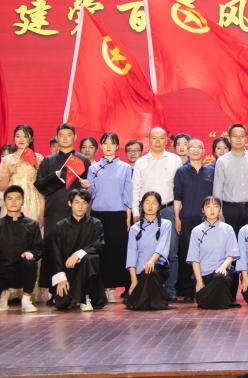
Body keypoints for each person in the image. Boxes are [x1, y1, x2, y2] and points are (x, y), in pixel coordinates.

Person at [34, 123, 91, 290]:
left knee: (76, 247)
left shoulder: (83, 160)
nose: (65, 138)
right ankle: (54, 290)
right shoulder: (48, 161)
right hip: (54, 211)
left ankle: (78, 289)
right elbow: (39, 185)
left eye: (68, 135)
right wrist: (55, 176)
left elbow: (90, 189)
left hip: (77, 213)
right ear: (57, 138)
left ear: (75, 137)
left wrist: (88, 185)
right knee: (53, 249)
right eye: (61, 135)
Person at [132, 126, 180, 301]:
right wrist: (136, 212)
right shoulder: (141, 162)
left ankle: (170, 290)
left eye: (161, 138)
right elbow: (136, 188)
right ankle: (146, 287)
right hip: (146, 212)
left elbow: (179, 188)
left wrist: (177, 214)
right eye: (154, 138)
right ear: (149, 140)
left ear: (166, 140)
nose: (158, 142)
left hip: (168, 209)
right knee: (147, 251)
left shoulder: (175, 160)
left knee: (171, 252)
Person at [0, 185, 42, 313]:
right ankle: (4, 293)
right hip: (1, 272)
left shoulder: (32, 224)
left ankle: (26, 300)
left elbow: (39, 248)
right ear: (4, 202)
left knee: (30, 263)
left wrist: (32, 253)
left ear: (22, 202)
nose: (14, 202)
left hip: (21, 270)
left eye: (17, 199)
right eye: (10, 198)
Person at [87, 131, 133, 303]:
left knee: (116, 251)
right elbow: (91, 195)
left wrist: (128, 216)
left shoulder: (125, 168)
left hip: (118, 214)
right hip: (98, 214)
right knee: (101, 252)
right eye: (105, 143)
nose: (108, 146)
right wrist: (87, 187)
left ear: (117, 146)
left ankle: (112, 289)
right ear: (100, 146)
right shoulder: (93, 168)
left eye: (112, 143)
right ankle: (101, 288)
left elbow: (128, 194)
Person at [50, 188, 106, 311]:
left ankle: (85, 297)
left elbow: (99, 244)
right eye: (76, 202)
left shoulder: (96, 224)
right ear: (69, 204)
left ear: (88, 205)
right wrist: (61, 277)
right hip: (69, 272)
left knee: (89, 258)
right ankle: (76, 296)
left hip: (90, 274)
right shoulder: (61, 226)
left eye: (84, 203)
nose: (80, 206)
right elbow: (56, 253)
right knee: (61, 304)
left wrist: (79, 254)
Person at [174, 137, 215, 301]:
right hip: (187, 219)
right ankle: (188, 291)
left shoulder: (211, 171)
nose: (195, 150)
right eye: (192, 147)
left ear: (204, 151)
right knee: (187, 254)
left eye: (199, 147)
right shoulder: (181, 172)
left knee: (207, 254)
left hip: (207, 220)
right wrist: (177, 218)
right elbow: (177, 198)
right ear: (187, 150)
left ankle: (206, 287)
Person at [187, 196, 240, 309]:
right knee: (209, 287)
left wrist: (223, 267)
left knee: (219, 278)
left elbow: (231, 254)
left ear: (220, 209)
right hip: (203, 275)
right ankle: (217, 300)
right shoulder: (196, 231)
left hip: (221, 273)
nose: (212, 210)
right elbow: (194, 259)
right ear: (203, 210)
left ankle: (207, 299)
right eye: (208, 207)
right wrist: (199, 281)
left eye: (215, 206)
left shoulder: (228, 229)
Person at [213, 123, 248, 235]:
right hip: (229, 210)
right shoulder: (222, 161)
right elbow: (218, 189)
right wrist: (219, 211)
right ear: (229, 138)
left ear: (246, 138)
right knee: (231, 242)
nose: (238, 139)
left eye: (242, 136)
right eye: (235, 136)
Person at [125, 191, 172, 310]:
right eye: (147, 202)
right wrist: (134, 281)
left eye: (154, 203)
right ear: (141, 205)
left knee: (151, 272)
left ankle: (139, 301)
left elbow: (161, 247)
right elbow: (131, 254)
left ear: (159, 206)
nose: (150, 206)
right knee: (145, 276)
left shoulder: (166, 224)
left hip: (158, 267)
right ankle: (155, 300)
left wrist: (151, 261)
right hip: (140, 271)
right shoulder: (134, 228)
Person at [0, 125, 45, 225]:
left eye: (25, 136)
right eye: (18, 136)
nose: (21, 139)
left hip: (32, 203)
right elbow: (1, 187)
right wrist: (8, 173)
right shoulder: (7, 160)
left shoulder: (38, 158)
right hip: (12, 202)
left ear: (31, 139)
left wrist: (42, 211)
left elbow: (42, 187)